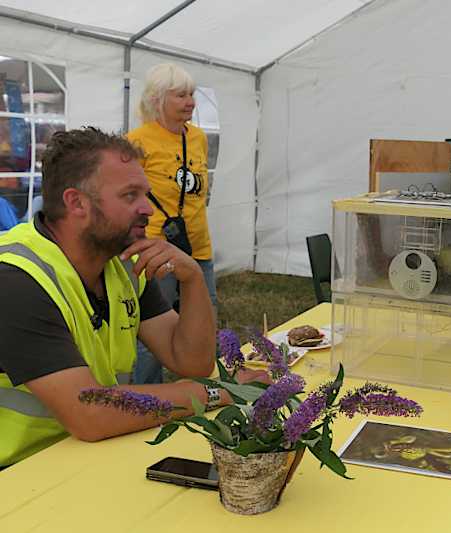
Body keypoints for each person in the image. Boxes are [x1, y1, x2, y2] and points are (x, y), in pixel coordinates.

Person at [0, 128, 267, 467]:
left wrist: (193, 280)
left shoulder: (119, 265)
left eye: (146, 194)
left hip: (81, 460)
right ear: (76, 202)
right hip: (17, 477)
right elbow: (91, 413)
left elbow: (192, 363)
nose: (149, 209)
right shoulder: (17, 280)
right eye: (130, 196)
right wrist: (222, 391)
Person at [127, 63, 215, 384]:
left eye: (192, 94)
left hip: (197, 245)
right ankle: (146, 398)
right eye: (181, 95)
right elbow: (127, 197)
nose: (190, 101)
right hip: (155, 249)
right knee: (156, 330)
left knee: (204, 318)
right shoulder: (136, 141)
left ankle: (205, 389)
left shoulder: (199, 138)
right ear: (157, 99)